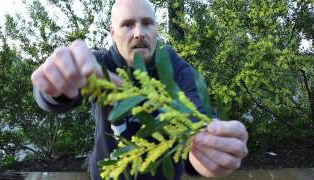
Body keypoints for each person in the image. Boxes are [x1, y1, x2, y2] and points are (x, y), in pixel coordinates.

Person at [31, 0, 248, 179]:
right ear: (112, 32)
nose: (139, 33)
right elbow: (53, 97)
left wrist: (210, 146)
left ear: (156, 29)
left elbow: (200, 117)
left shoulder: (177, 69)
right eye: (127, 25)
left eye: (147, 23)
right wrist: (55, 83)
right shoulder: (98, 66)